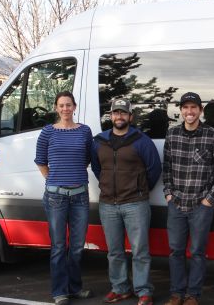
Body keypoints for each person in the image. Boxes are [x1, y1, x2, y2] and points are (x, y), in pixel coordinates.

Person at [91, 98, 162, 305]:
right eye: (116, 113)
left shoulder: (142, 140)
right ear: (111, 116)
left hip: (135, 203)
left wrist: (139, 188)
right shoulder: (100, 142)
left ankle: (143, 291)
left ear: (130, 117)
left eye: (123, 113)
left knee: (140, 251)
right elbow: (98, 169)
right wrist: (107, 186)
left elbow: (154, 169)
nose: (119, 116)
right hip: (108, 205)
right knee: (114, 252)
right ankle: (120, 288)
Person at [163, 92, 214, 305]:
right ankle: (176, 294)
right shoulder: (172, 135)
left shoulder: (212, 136)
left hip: (201, 205)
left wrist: (209, 200)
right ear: (181, 110)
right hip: (177, 204)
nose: (189, 112)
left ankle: (193, 295)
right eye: (186, 107)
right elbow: (166, 169)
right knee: (175, 252)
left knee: (198, 253)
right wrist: (168, 193)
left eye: (194, 108)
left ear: (200, 111)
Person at [34, 91, 93, 305]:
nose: (65, 109)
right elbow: (40, 160)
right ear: (56, 108)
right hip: (56, 198)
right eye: (61, 105)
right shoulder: (48, 132)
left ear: (74, 107)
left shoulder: (85, 131)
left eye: (69, 105)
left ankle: (74, 288)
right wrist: (53, 180)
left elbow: (87, 158)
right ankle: (60, 291)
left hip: (80, 197)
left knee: (77, 247)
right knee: (59, 247)